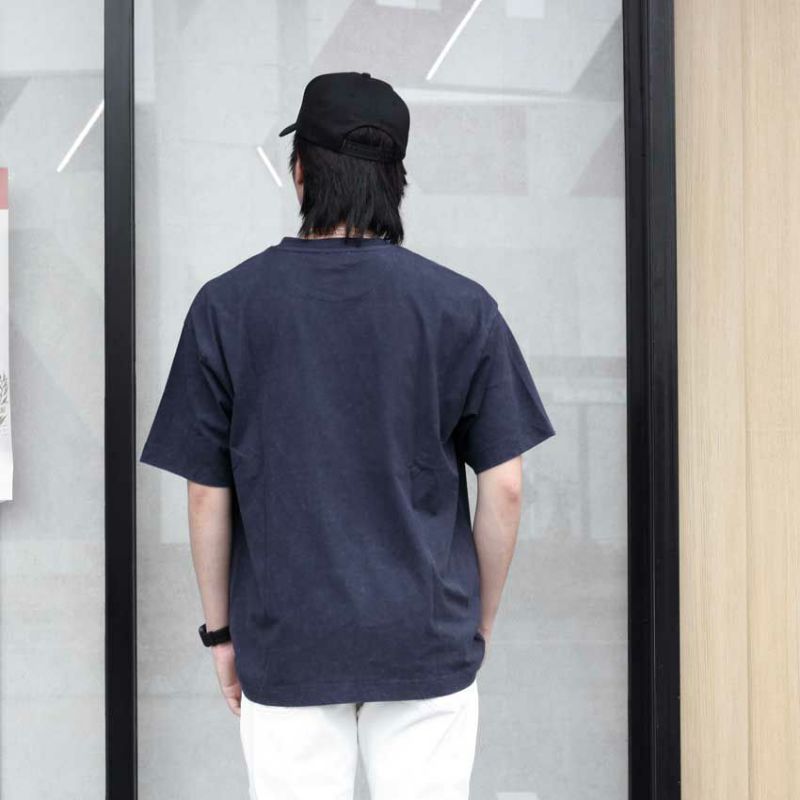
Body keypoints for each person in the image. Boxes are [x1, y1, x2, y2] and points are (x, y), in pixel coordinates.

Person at [139, 71, 556, 800]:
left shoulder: (227, 307)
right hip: (425, 638)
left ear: (300, 170)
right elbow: (507, 486)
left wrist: (221, 635)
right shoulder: (462, 307)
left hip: (287, 641)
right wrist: (477, 624)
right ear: (396, 182)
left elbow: (207, 495)